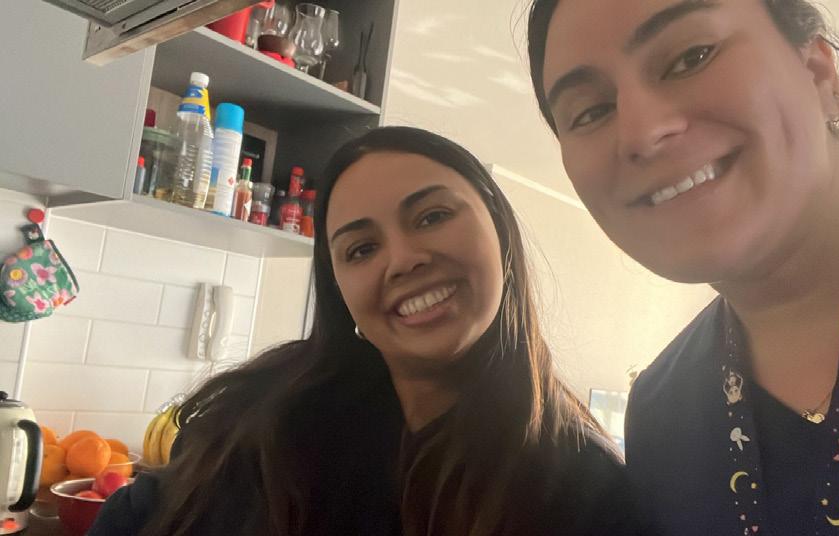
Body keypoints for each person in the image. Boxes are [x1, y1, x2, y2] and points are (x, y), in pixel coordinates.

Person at [526, 0, 839, 535]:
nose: (640, 132)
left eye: (690, 57)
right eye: (589, 112)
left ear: (818, 74)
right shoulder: (661, 412)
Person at [89, 126, 641, 536]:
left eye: (431, 217)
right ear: (339, 291)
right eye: (361, 249)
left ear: (499, 228)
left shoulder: (586, 488)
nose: (402, 260)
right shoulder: (270, 422)